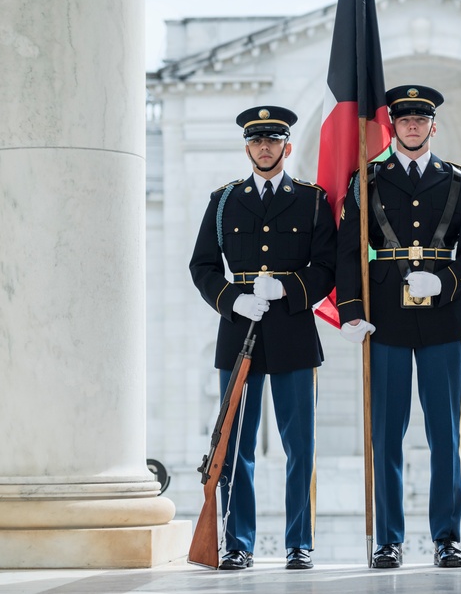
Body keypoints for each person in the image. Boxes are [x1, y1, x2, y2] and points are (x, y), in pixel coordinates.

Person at [337, 85, 461, 568]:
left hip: (442, 315)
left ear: (433, 126)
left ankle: (447, 537)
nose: (413, 126)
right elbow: (349, 250)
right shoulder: (367, 180)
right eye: (404, 120)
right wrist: (353, 310)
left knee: (445, 433)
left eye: (421, 119)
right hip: (386, 316)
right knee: (387, 434)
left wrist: (445, 282)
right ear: (393, 126)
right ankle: (389, 538)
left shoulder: (460, 181)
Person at [189, 105, 336, 571]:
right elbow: (203, 267)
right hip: (240, 332)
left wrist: (290, 288)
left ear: (287, 146)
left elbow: (327, 267)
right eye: (257, 141)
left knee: (300, 449)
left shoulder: (312, 201)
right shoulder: (225, 201)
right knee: (236, 446)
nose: (265, 147)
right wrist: (231, 298)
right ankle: (238, 543)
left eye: (273, 140)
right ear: (247, 147)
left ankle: (300, 543)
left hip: (293, 329)